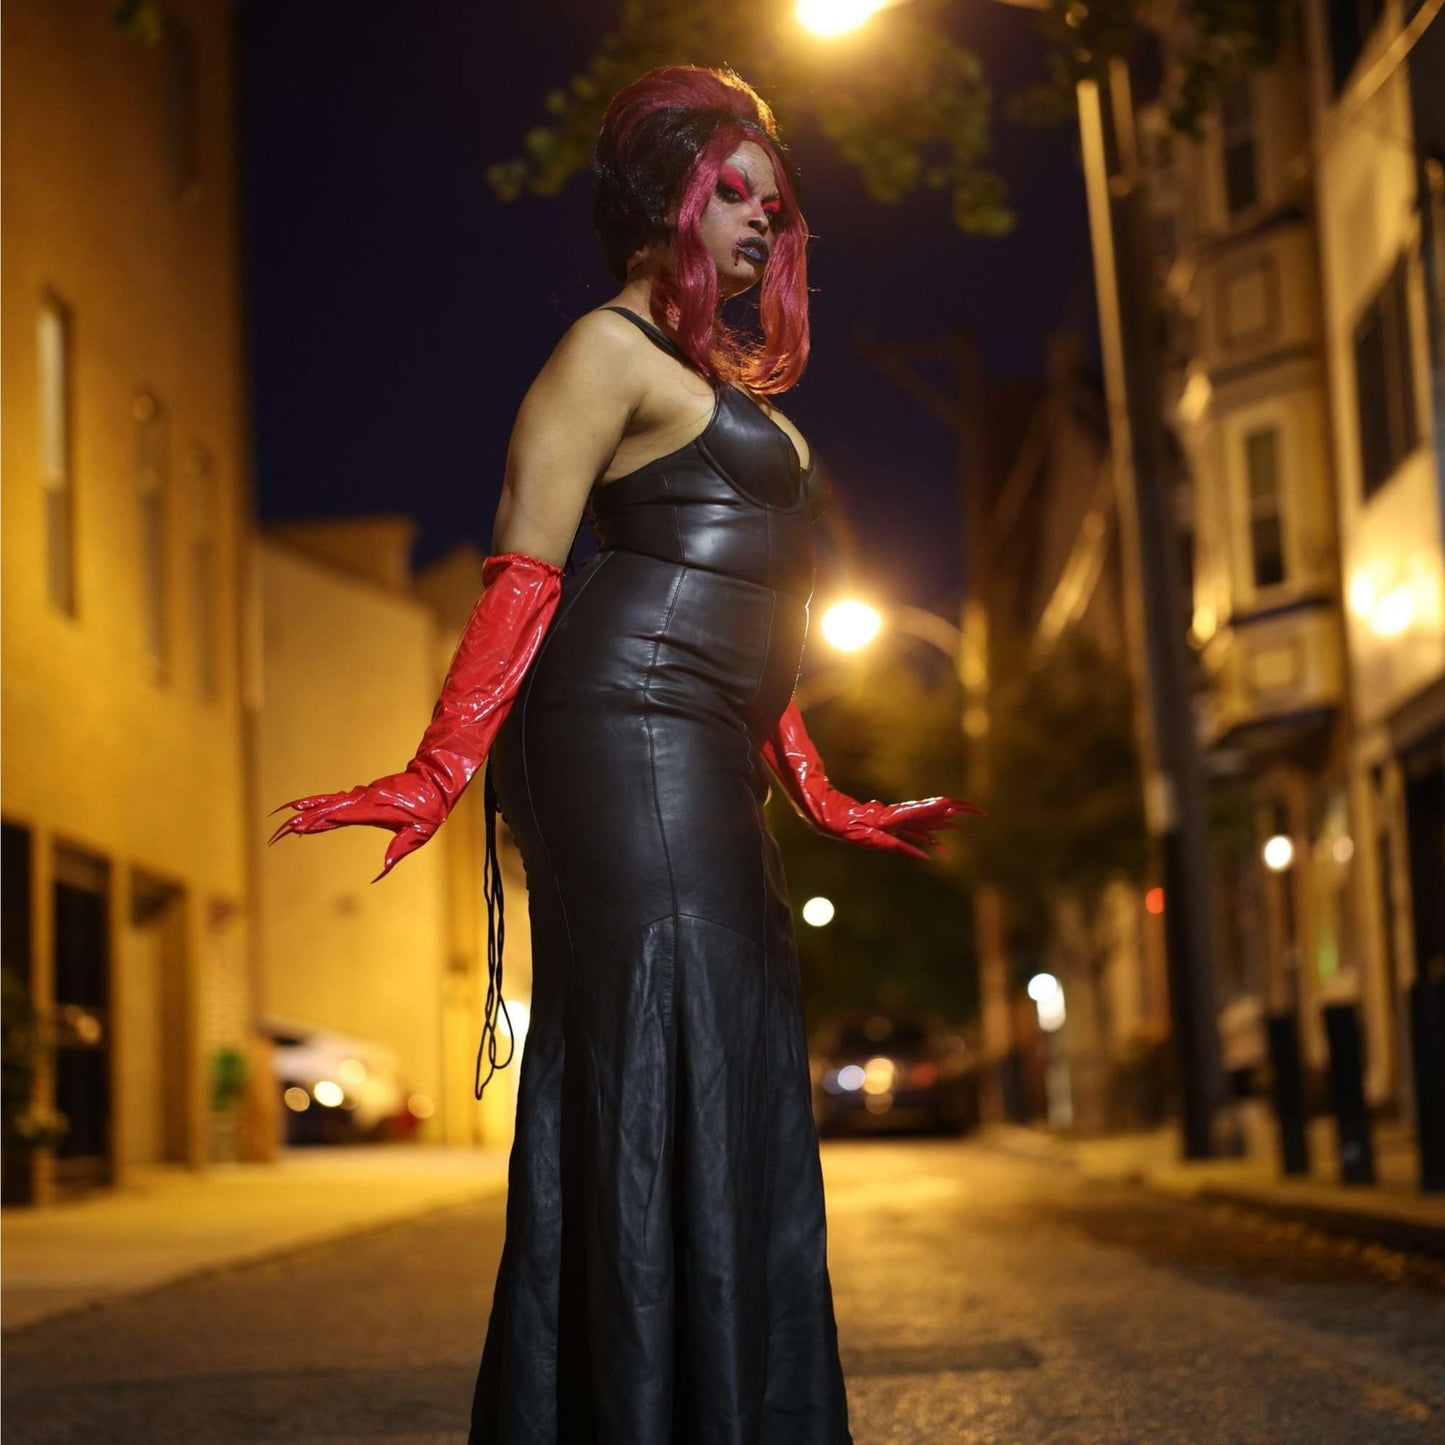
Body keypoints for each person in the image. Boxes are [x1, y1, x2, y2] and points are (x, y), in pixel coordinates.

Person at [269, 63, 983, 1445]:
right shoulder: (602, 353)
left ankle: (706, 1407)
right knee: (672, 1042)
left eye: (777, 205)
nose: (764, 224)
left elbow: (757, 625)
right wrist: (437, 768)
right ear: (666, 196)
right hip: (613, 731)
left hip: (705, 747)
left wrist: (823, 791)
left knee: (730, 1047)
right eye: (733, 193)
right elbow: (525, 570)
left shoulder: (711, 379)